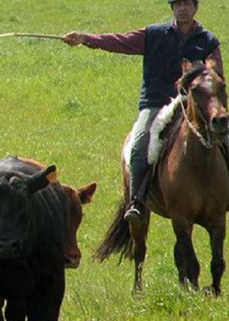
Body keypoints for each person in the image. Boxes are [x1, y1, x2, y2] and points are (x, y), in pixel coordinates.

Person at [62, 0, 224, 226]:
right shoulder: (154, 34)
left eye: (187, 4)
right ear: (172, 8)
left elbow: (216, 74)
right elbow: (120, 41)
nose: (182, 8)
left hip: (195, 105)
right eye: (178, 4)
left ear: (195, 7)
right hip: (156, 104)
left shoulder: (208, 40)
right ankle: (137, 201)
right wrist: (86, 39)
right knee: (139, 145)